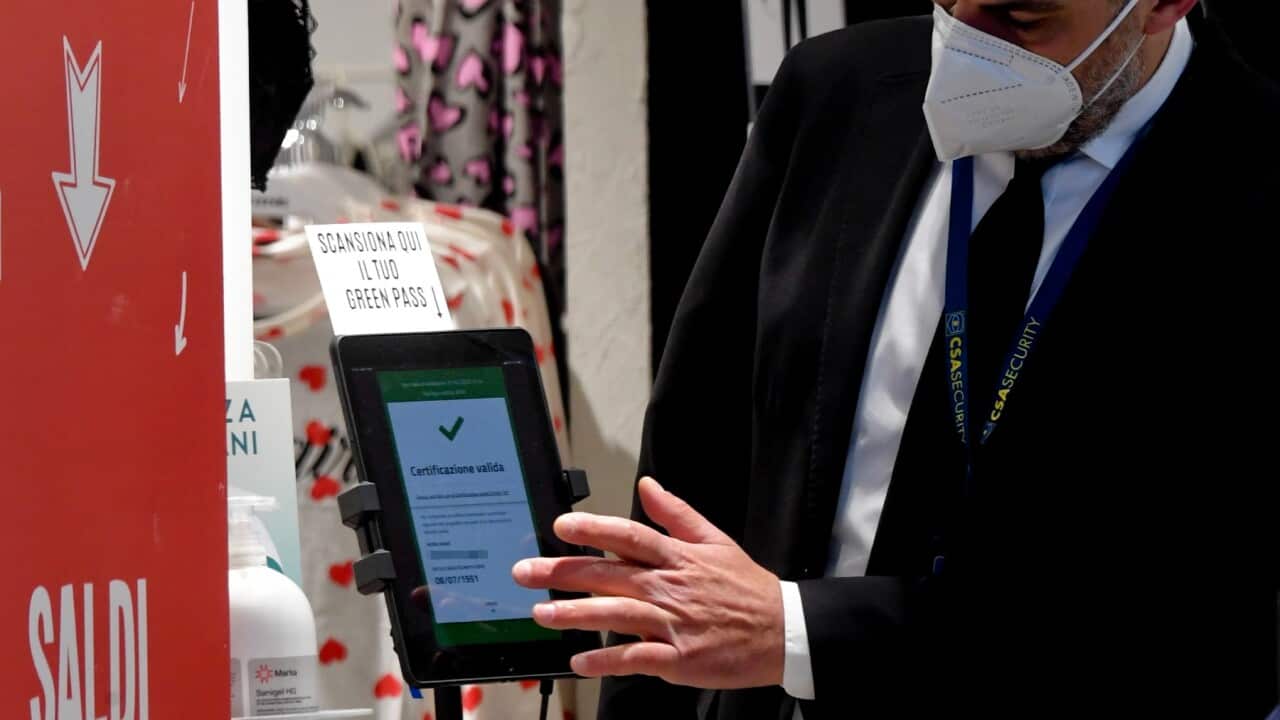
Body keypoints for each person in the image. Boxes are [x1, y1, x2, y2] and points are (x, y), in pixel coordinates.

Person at [513, 1, 1280, 717]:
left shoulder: (1254, 187)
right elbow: (695, 453)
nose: (973, 53)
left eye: (1021, 17)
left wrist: (798, 634)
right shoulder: (839, 93)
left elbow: (1212, 622)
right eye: (955, 7)